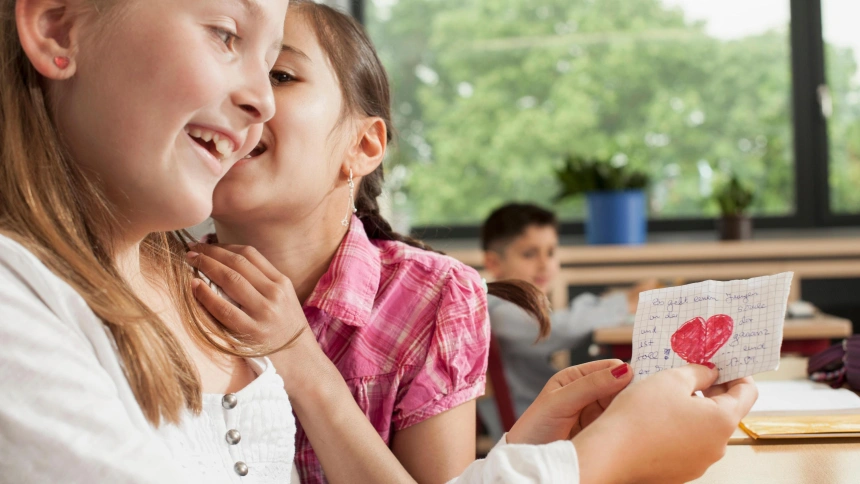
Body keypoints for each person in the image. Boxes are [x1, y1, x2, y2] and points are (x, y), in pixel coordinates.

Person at [0, 0, 757, 482]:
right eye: (226, 35)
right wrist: (590, 466)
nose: (258, 101)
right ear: (55, 27)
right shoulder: (92, 293)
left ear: (363, 147)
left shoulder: (420, 293)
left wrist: (538, 459)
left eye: (279, 71)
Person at [203, 2, 547, 481]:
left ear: (362, 146)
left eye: (281, 74)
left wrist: (302, 362)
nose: (243, 91)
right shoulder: (152, 280)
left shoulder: (437, 297)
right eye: (223, 66)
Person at [477, 202, 658, 440]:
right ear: (494, 263)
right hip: (533, 431)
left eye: (551, 252)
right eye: (529, 254)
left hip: (548, 420)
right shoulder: (499, 313)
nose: (544, 264)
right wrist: (625, 302)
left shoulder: (503, 309)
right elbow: (562, 328)